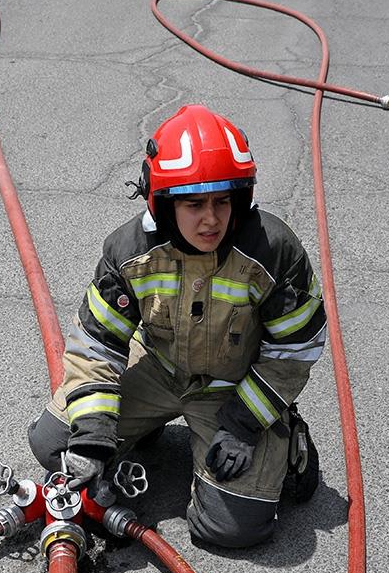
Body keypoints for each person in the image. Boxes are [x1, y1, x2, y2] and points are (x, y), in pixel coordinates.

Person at [27, 104, 324, 548]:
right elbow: (96, 347)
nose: (211, 219)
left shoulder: (275, 252)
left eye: (223, 201)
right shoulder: (128, 251)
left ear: (240, 198)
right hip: (160, 369)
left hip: (235, 386)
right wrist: (93, 434)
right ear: (162, 203)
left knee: (230, 531)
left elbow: (293, 351)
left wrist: (243, 425)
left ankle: (288, 440)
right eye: (194, 204)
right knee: (55, 447)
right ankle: (141, 427)